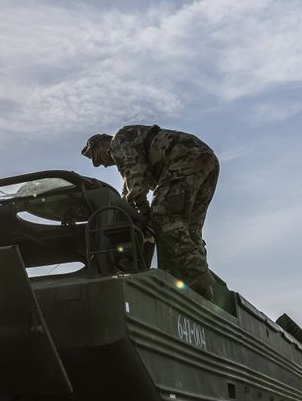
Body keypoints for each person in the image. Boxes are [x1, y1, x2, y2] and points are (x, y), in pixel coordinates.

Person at [81, 125, 219, 301]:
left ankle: (197, 276)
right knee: (190, 229)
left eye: (97, 158)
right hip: (205, 159)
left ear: (102, 144)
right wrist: (136, 207)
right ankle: (205, 288)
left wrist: (146, 213)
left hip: (184, 157)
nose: (103, 164)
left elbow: (136, 183)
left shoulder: (118, 142)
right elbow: (128, 190)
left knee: (163, 218)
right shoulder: (131, 146)